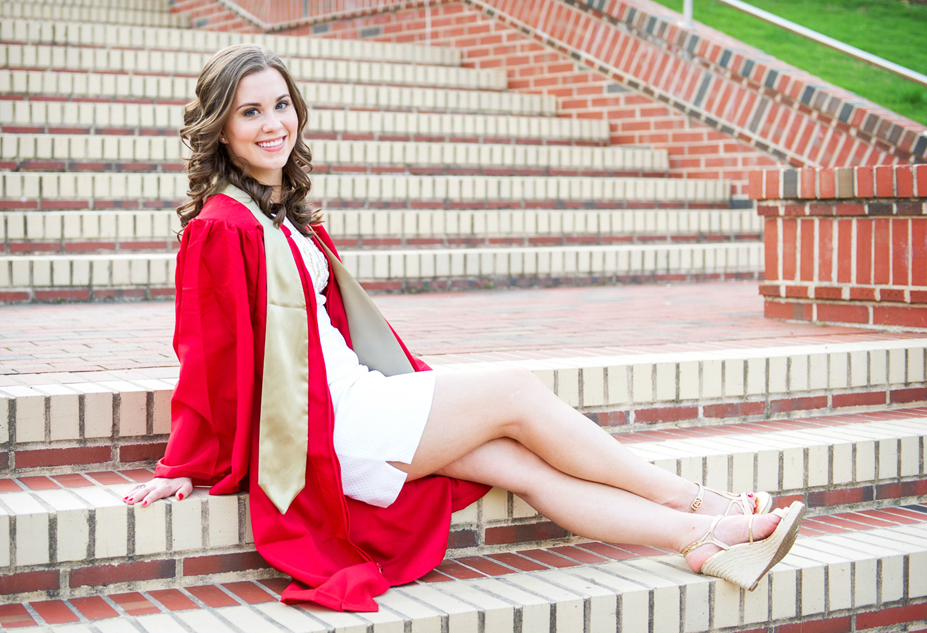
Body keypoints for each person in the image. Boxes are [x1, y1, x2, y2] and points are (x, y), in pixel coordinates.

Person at [124, 44, 805, 612]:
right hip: (337, 424)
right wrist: (183, 464)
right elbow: (208, 357)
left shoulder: (276, 214)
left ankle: (702, 539)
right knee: (515, 391)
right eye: (251, 111)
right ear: (220, 126)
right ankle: (701, 499)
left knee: (526, 468)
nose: (274, 123)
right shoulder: (222, 226)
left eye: (281, 105)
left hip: (355, 399)